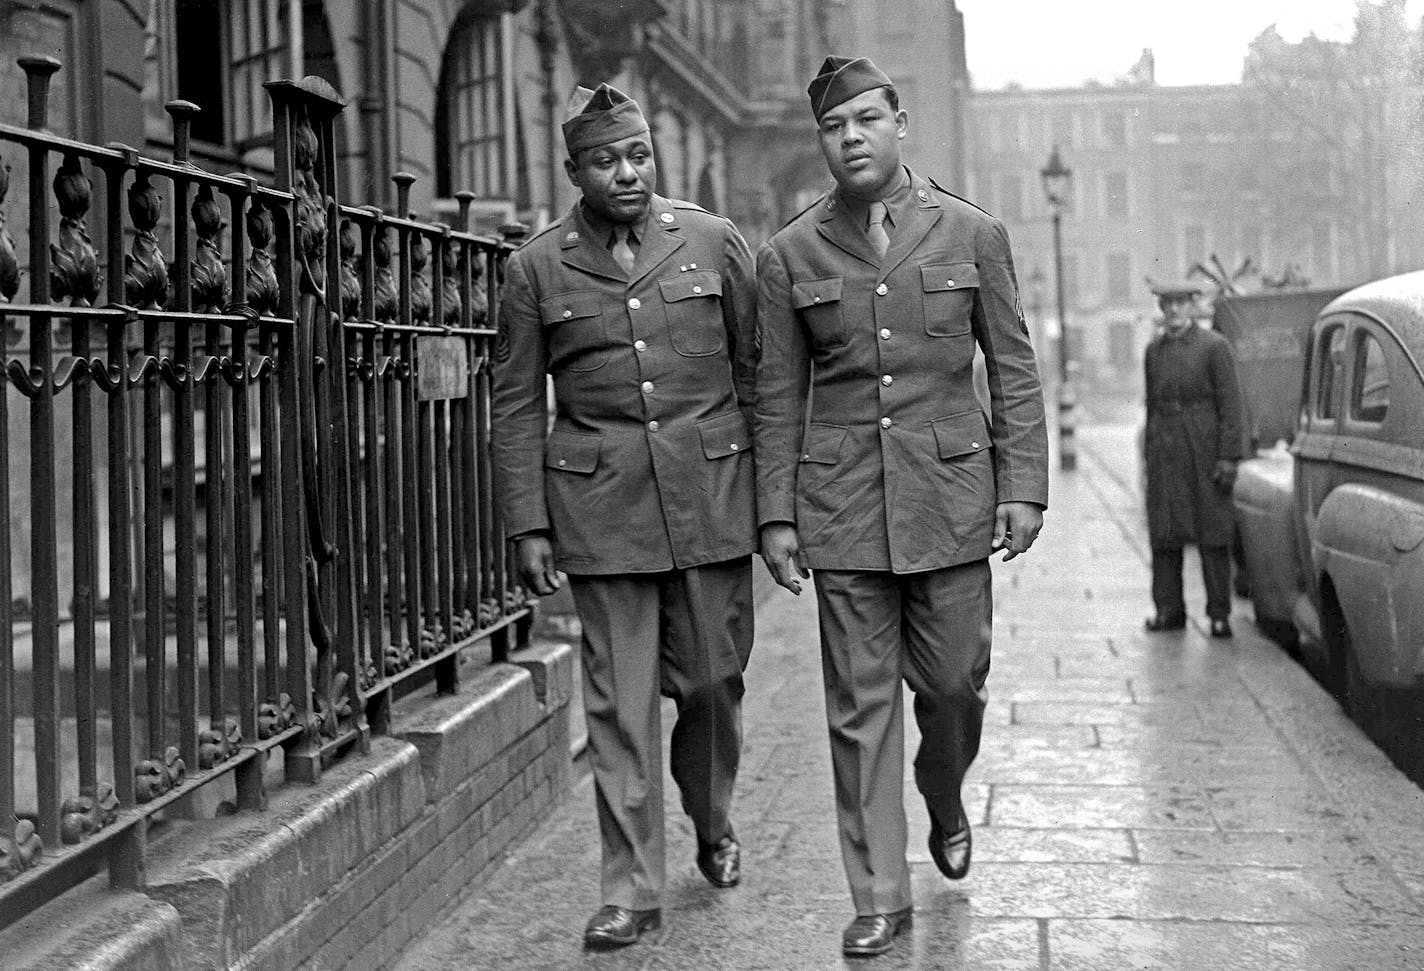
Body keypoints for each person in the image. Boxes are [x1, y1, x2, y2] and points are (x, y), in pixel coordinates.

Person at [753, 56, 1049, 957]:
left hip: (952, 502)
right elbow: (776, 394)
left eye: (868, 120)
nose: (852, 138)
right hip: (841, 510)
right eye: (835, 127)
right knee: (858, 705)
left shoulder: (971, 233)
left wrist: (1023, 487)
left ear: (900, 124)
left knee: (955, 684)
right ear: (823, 142)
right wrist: (776, 516)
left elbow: (1014, 367)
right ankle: (880, 893)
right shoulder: (788, 254)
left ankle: (945, 787)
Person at [491, 83, 758, 950]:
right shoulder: (535, 268)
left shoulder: (714, 243)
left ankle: (711, 817)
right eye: (606, 160)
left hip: (711, 501)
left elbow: (760, 377)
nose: (627, 172)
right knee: (618, 704)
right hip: (601, 512)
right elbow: (517, 405)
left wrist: (776, 501)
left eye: (638, 154)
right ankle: (632, 886)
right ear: (575, 171)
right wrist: (529, 523)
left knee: (713, 688)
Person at [1142, 282, 1243, 638]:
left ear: (1192, 306)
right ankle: (1169, 610)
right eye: (1167, 304)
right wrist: (1150, 456)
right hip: (1167, 455)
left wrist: (1229, 457)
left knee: (1213, 534)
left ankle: (1219, 614)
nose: (1173, 311)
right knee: (1165, 535)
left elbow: (1232, 406)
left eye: (1180, 304)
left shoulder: (1215, 347)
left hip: (1204, 451)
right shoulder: (1154, 352)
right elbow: (1152, 406)